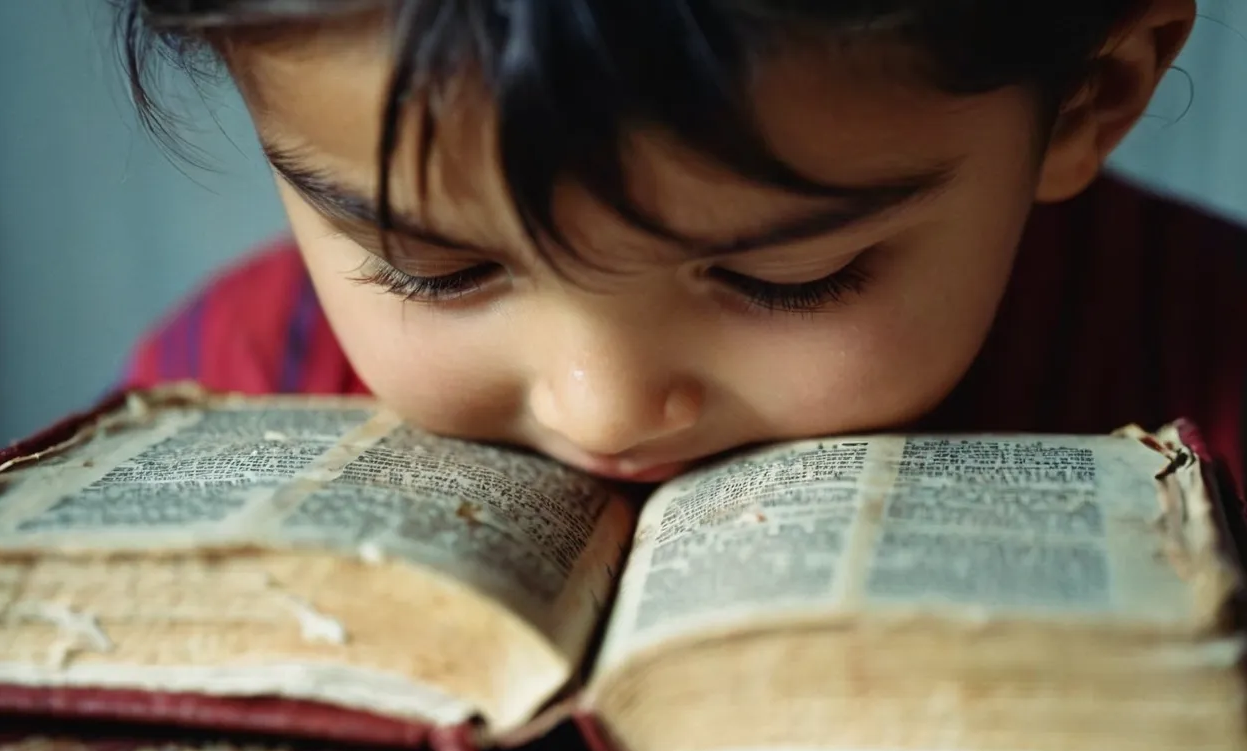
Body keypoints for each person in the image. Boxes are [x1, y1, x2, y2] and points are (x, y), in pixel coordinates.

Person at [117, 0, 1246, 491]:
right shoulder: (228, 374)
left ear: (1091, 95)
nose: (600, 408)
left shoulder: (1213, 366)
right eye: (433, 270)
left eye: (784, 278)